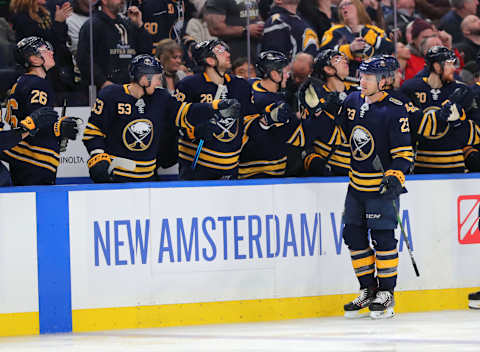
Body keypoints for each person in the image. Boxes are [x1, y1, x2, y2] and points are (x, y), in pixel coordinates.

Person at [82, 53, 242, 182]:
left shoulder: (160, 97)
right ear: (144, 79)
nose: (160, 82)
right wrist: (97, 154)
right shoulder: (111, 95)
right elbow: (93, 132)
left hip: (148, 180)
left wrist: (214, 107)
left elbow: (185, 111)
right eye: (158, 78)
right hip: (116, 179)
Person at [339, 56, 414, 319]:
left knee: (382, 239)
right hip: (355, 185)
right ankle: (367, 289)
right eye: (361, 76)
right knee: (353, 235)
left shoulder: (395, 109)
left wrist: (395, 174)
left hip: (381, 188)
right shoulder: (351, 102)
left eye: (368, 78)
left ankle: (386, 292)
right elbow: (342, 137)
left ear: (383, 81)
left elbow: (404, 152)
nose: (362, 81)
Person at [2, 36, 79, 185]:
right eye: (45, 50)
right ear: (34, 59)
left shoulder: (22, 82)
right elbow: (39, 120)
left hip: (22, 159)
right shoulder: (37, 84)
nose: (51, 52)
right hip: (35, 159)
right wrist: (57, 128)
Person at [400, 46, 480, 173]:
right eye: (449, 65)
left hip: (456, 169)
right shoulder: (411, 88)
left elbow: (475, 135)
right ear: (437, 67)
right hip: (421, 169)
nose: (454, 69)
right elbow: (411, 126)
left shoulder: (462, 91)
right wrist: (441, 115)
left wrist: (460, 122)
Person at [238, 50, 306, 179]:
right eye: (285, 72)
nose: (288, 75)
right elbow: (299, 138)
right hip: (266, 172)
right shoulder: (272, 102)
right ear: (274, 74)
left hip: (241, 167)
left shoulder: (251, 84)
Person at [298, 49, 353, 177]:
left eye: (344, 58)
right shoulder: (314, 94)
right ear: (328, 69)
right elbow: (307, 133)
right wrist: (312, 160)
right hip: (328, 168)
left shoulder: (357, 93)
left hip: (354, 169)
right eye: (337, 59)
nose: (344, 60)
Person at [77, 0, 153, 90]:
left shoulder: (127, 24)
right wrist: (102, 82)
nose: (122, 1)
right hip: (104, 90)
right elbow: (84, 58)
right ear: (104, 1)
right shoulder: (92, 25)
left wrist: (139, 25)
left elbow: (146, 52)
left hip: (131, 88)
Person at [10, 0, 75, 101]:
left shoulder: (47, 12)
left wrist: (60, 22)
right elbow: (41, 43)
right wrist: (58, 22)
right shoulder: (21, 17)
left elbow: (60, 40)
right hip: (34, 68)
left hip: (55, 68)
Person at [320, 0, 393, 83]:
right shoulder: (334, 31)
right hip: (344, 82)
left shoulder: (375, 31)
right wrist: (350, 48)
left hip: (373, 83)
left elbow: (390, 49)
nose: (344, 7)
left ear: (358, 7)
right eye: (340, 7)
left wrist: (371, 38)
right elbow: (322, 53)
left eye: (347, 4)